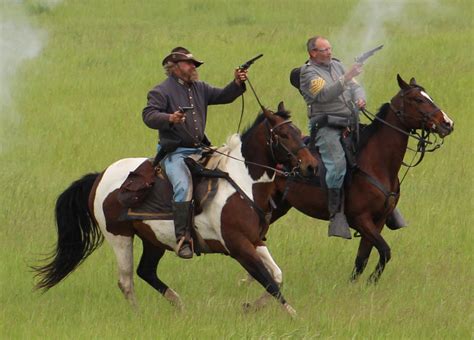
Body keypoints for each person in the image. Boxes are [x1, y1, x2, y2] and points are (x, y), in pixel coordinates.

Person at [142, 47, 248, 258]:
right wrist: (169, 118)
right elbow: (149, 115)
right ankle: (182, 238)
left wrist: (237, 82)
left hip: (202, 150)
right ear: (174, 67)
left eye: (194, 65)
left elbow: (224, 96)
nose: (193, 67)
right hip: (175, 153)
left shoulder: (200, 88)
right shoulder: (161, 91)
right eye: (189, 64)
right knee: (182, 187)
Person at [299, 36, 405, 239]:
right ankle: (336, 212)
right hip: (326, 127)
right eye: (324, 50)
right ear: (313, 53)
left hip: (349, 123)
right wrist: (346, 78)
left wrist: (360, 97)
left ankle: (384, 204)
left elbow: (356, 87)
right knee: (337, 166)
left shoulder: (337, 65)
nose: (329, 52)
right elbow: (323, 95)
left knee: (377, 155)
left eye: (330, 48)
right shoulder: (309, 73)